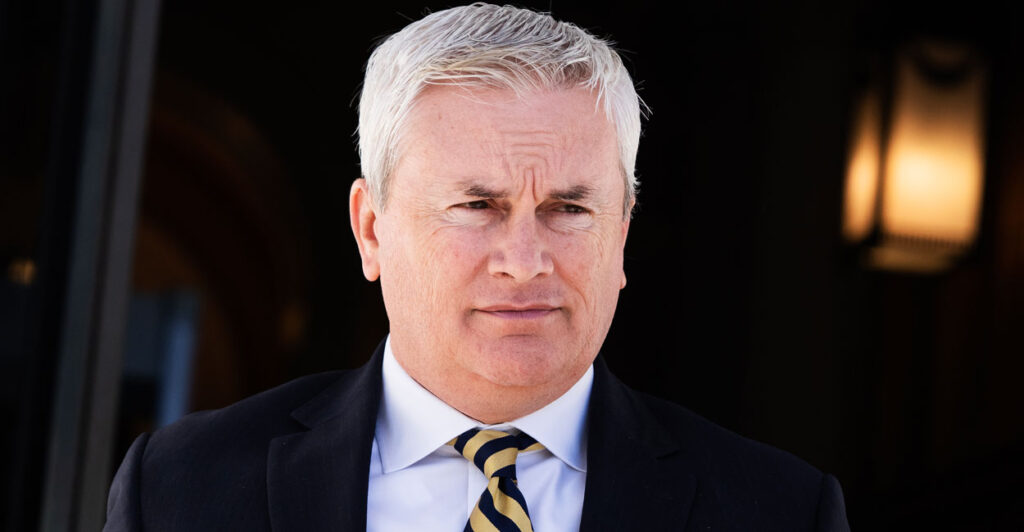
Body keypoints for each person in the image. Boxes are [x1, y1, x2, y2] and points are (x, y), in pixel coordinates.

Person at [105, 3, 850, 531]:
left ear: (620, 236)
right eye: (477, 206)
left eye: (569, 208)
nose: (524, 263)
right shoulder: (181, 490)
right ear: (371, 230)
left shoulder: (778, 510)